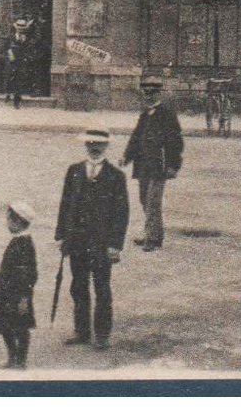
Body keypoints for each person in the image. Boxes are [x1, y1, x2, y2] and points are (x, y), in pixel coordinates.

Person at [54, 129, 130, 350]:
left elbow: (121, 213)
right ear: (85, 145)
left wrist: (115, 244)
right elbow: (65, 204)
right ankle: (82, 331)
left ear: (106, 146)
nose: (94, 147)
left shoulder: (116, 176)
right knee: (78, 286)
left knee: (102, 288)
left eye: (99, 144)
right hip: (76, 240)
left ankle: (103, 333)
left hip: (101, 242)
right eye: (90, 143)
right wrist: (61, 235)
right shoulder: (74, 171)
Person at [121, 74, 184, 252]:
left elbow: (175, 142)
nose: (149, 96)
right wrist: (126, 157)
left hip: (159, 166)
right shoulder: (145, 115)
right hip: (142, 166)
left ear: (159, 94)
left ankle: (152, 238)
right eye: (146, 92)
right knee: (143, 199)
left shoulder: (167, 115)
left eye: (153, 92)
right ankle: (155, 234)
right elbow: (136, 138)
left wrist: (173, 165)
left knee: (152, 202)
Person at [0, 202, 39, 369]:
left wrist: (24, 298)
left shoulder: (24, 244)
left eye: (9, 220)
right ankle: (13, 356)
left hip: (18, 295)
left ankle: (20, 360)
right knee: (5, 325)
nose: (7, 223)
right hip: (6, 293)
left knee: (20, 327)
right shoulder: (18, 241)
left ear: (19, 222)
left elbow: (29, 275)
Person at [2, 18, 33, 109]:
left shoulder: (26, 38)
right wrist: (11, 58)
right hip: (11, 62)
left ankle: (17, 100)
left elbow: (28, 49)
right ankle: (8, 94)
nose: (20, 29)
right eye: (19, 28)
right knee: (10, 78)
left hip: (21, 62)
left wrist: (25, 58)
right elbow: (6, 48)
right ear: (16, 28)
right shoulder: (10, 37)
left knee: (19, 80)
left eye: (22, 28)